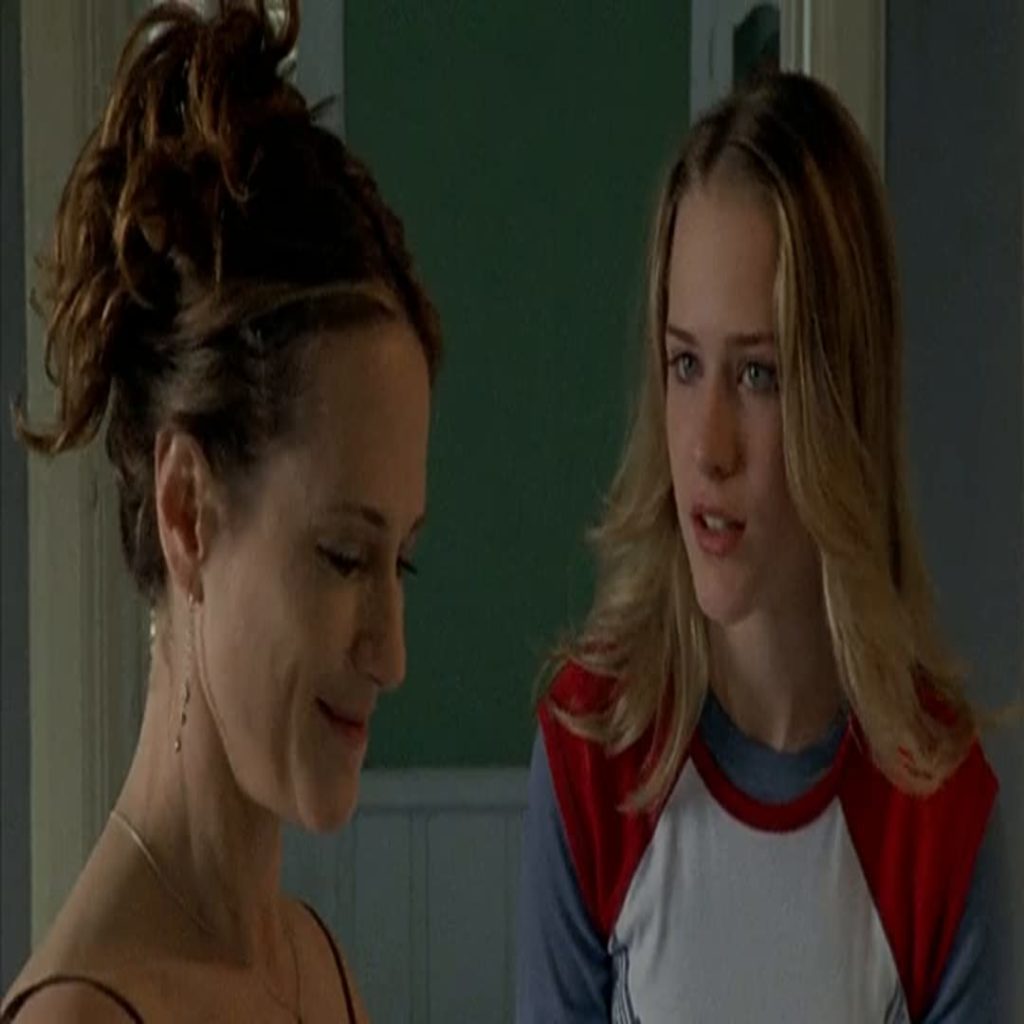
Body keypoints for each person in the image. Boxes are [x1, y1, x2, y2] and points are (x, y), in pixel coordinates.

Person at [516, 72, 1004, 1022]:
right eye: (684, 364)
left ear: (840, 395)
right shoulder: (593, 754)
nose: (708, 446)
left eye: (758, 374)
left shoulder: (940, 810)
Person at [2, 0, 440, 1020]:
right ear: (188, 511)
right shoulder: (83, 1016)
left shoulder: (317, 968)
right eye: (343, 556)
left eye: (402, 562)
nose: (391, 653)